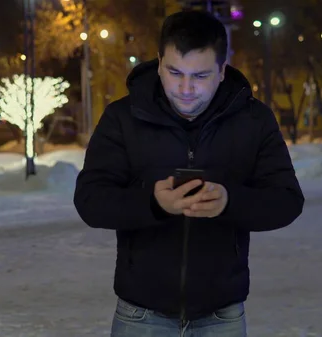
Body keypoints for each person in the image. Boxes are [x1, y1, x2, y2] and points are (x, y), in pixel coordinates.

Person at [74, 10, 304, 337]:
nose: (185, 88)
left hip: (221, 315)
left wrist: (229, 202)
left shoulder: (255, 121)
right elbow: (90, 200)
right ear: (158, 63)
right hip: (141, 314)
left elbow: (286, 201)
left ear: (222, 71)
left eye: (200, 76)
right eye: (174, 72)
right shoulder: (123, 118)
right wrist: (153, 203)